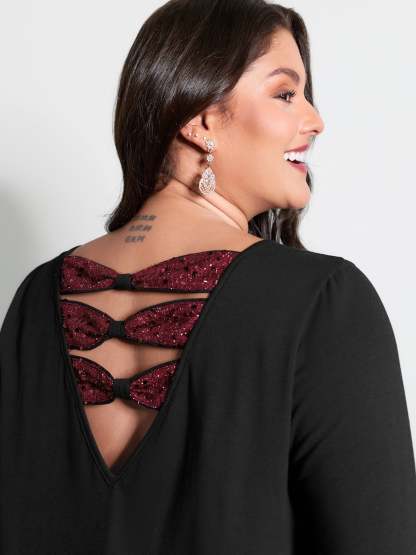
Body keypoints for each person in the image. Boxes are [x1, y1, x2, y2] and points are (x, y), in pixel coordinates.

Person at [1, 1, 415, 553]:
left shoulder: (35, 298)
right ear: (200, 120)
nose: (315, 120)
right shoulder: (323, 302)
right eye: (285, 94)